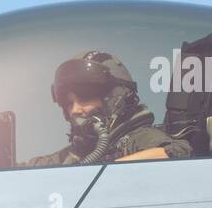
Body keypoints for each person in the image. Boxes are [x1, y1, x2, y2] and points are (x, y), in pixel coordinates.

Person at [24, 50, 192, 166]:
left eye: (84, 97)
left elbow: (175, 152)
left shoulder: (138, 138)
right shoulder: (80, 153)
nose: (75, 109)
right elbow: (32, 168)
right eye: (68, 103)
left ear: (114, 98)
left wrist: (103, 169)